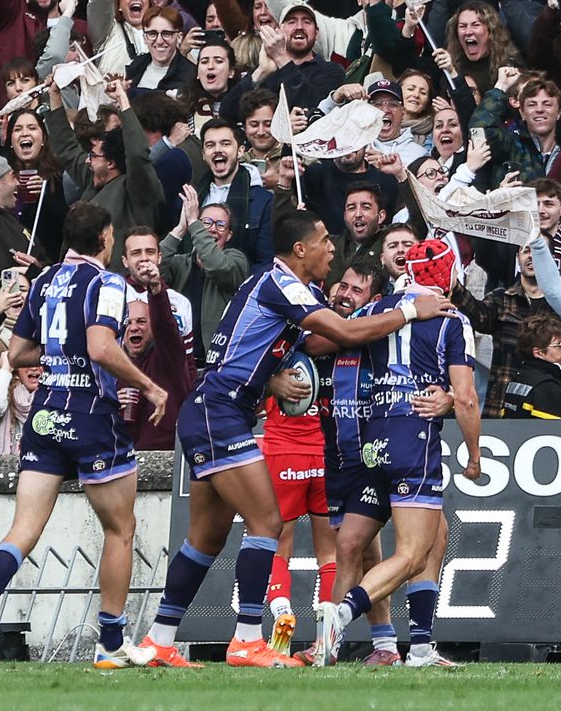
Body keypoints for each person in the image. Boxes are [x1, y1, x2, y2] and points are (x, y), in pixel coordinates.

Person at [136, 211, 448, 668]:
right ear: (300, 249)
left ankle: (157, 640)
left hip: (214, 410)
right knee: (267, 522)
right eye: (324, 240)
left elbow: (316, 344)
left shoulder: (281, 287)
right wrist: (407, 311)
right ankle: (246, 639)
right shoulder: (282, 283)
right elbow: (339, 331)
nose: (332, 249)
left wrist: (271, 379)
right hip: (220, 413)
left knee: (205, 538)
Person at [0, 203, 168, 670]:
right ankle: (111, 643)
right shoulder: (108, 282)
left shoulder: (48, 278)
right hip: (92, 414)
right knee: (120, 527)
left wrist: (58, 348)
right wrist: (149, 385)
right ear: (105, 239)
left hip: (47, 412)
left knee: (24, 528)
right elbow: (100, 346)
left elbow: (16, 352)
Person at [310, 238, 479, 669]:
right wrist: (473, 454)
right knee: (413, 553)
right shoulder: (450, 319)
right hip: (413, 439)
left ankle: (419, 648)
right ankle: (341, 616)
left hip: (371, 440)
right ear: (448, 276)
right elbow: (467, 398)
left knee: (412, 539)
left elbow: (321, 340)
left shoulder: (372, 311)